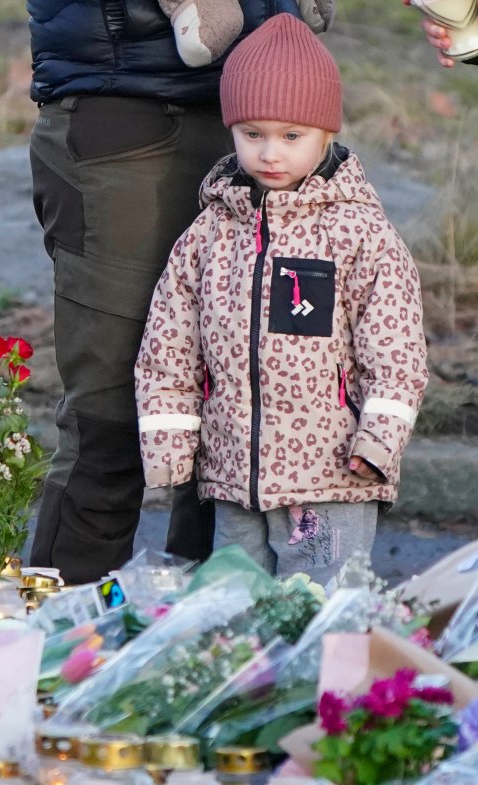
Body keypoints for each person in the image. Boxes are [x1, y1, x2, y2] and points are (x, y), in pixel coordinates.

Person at [27, 0, 324, 585]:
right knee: (111, 420)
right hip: (126, 104)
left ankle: (208, 653)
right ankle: (60, 649)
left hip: (261, 103)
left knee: (246, 410)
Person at [134, 13, 429, 583]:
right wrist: (170, 448)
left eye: (292, 136)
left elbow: (396, 354)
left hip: (333, 476)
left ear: (325, 134)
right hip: (232, 479)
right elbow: (168, 348)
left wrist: (379, 441)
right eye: (252, 134)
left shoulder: (360, 235)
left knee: (322, 615)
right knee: (237, 611)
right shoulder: (207, 235)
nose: (271, 153)